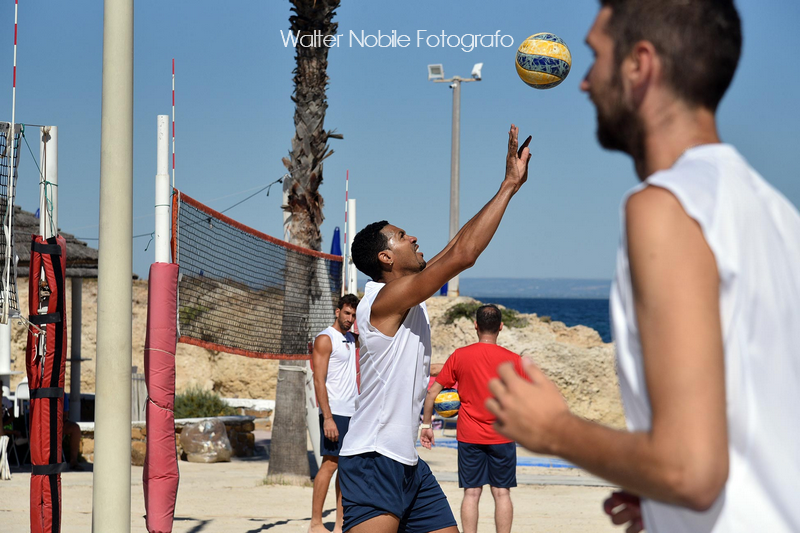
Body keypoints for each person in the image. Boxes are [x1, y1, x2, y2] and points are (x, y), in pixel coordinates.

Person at [486, 1, 800, 532]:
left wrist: (554, 429)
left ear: (640, 64)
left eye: (595, 57)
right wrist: (656, 495)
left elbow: (690, 471)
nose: (584, 83)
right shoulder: (776, 214)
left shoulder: (667, 206)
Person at [337, 125, 531, 533]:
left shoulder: (408, 294)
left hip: (408, 463)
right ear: (386, 258)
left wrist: (508, 186)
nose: (413, 237)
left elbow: (457, 246)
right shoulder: (381, 301)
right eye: (402, 236)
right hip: (373, 459)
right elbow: (464, 254)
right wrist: (509, 187)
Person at [421, 304, 525, 533]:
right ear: (501, 327)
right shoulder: (514, 360)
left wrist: (426, 424)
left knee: (472, 493)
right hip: (502, 435)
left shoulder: (460, 356)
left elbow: (432, 393)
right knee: (502, 493)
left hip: (469, 436)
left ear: (476, 326)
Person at [309, 294, 360, 533]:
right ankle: (316, 523)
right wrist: (327, 417)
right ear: (337, 312)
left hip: (352, 412)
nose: (350, 318)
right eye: (347, 313)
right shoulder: (325, 339)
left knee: (346, 467)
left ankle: (340, 524)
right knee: (329, 464)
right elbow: (318, 380)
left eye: (354, 315)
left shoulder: (350, 338)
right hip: (334, 411)